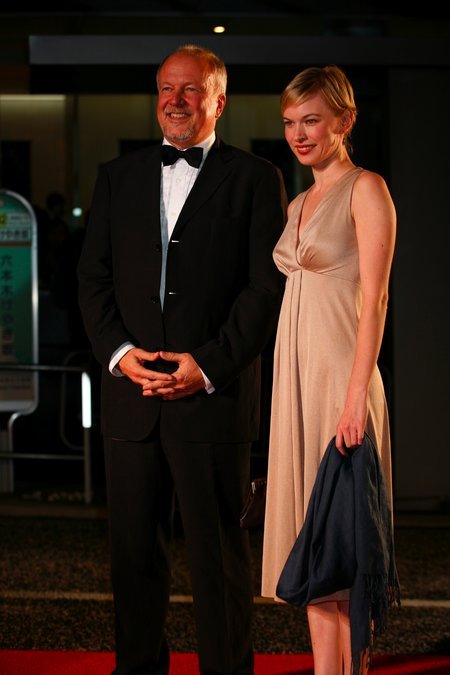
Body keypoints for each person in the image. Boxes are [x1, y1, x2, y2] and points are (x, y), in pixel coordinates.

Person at [77, 44, 287, 675]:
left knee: (219, 561)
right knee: (133, 557)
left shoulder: (255, 179)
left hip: (213, 398)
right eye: (166, 88)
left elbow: (266, 288)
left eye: (190, 89)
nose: (175, 100)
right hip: (131, 397)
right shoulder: (118, 176)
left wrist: (211, 363)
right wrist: (119, 354)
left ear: (218, 100)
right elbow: (93, 278)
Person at [261, 65, 397, 675]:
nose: (299, 133)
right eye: (290, 123)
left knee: (345, 544)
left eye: (311, 120)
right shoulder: (297, 202)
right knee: (311, 549)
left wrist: (353, 399)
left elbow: (375, 299)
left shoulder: (366, 188)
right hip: (297, 382)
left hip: (342, 380)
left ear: (344, 121)